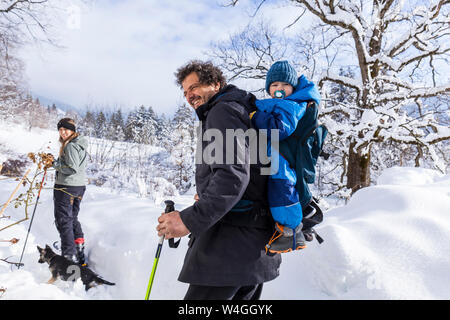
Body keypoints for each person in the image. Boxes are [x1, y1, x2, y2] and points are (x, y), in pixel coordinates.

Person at [156, 60, 281, 300]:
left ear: (216, 83)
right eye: (185, 92)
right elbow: (249, 175)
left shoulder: (222, 111)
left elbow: (232, 176)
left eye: (194, 87)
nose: (189, 96)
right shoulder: (244, 111)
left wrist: (189, 220)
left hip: (228, 250)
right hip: (254, 247)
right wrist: (208, 192)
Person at [251, 60, 321, 254]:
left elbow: (279, 129)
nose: (279, 88)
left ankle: (290, 231)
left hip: (281, 160)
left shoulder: (292, 106)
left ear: (293, 87)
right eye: (274, 85)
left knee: (282, 187)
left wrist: (255, 116)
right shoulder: (283, 104)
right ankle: (286, 230)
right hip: (274, 156)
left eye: (284, 85)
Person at [49, 118, 88, 265]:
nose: (63, 132)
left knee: (63, 221)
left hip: (66, 187)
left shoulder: (71, 146)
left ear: (72, 130)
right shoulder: (80, 144)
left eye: (66, 129)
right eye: (60, 129)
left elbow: (72, 168)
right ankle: (78, 248)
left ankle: (68, 256)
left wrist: (55, 164)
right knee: (72, 218)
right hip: (78, 187)